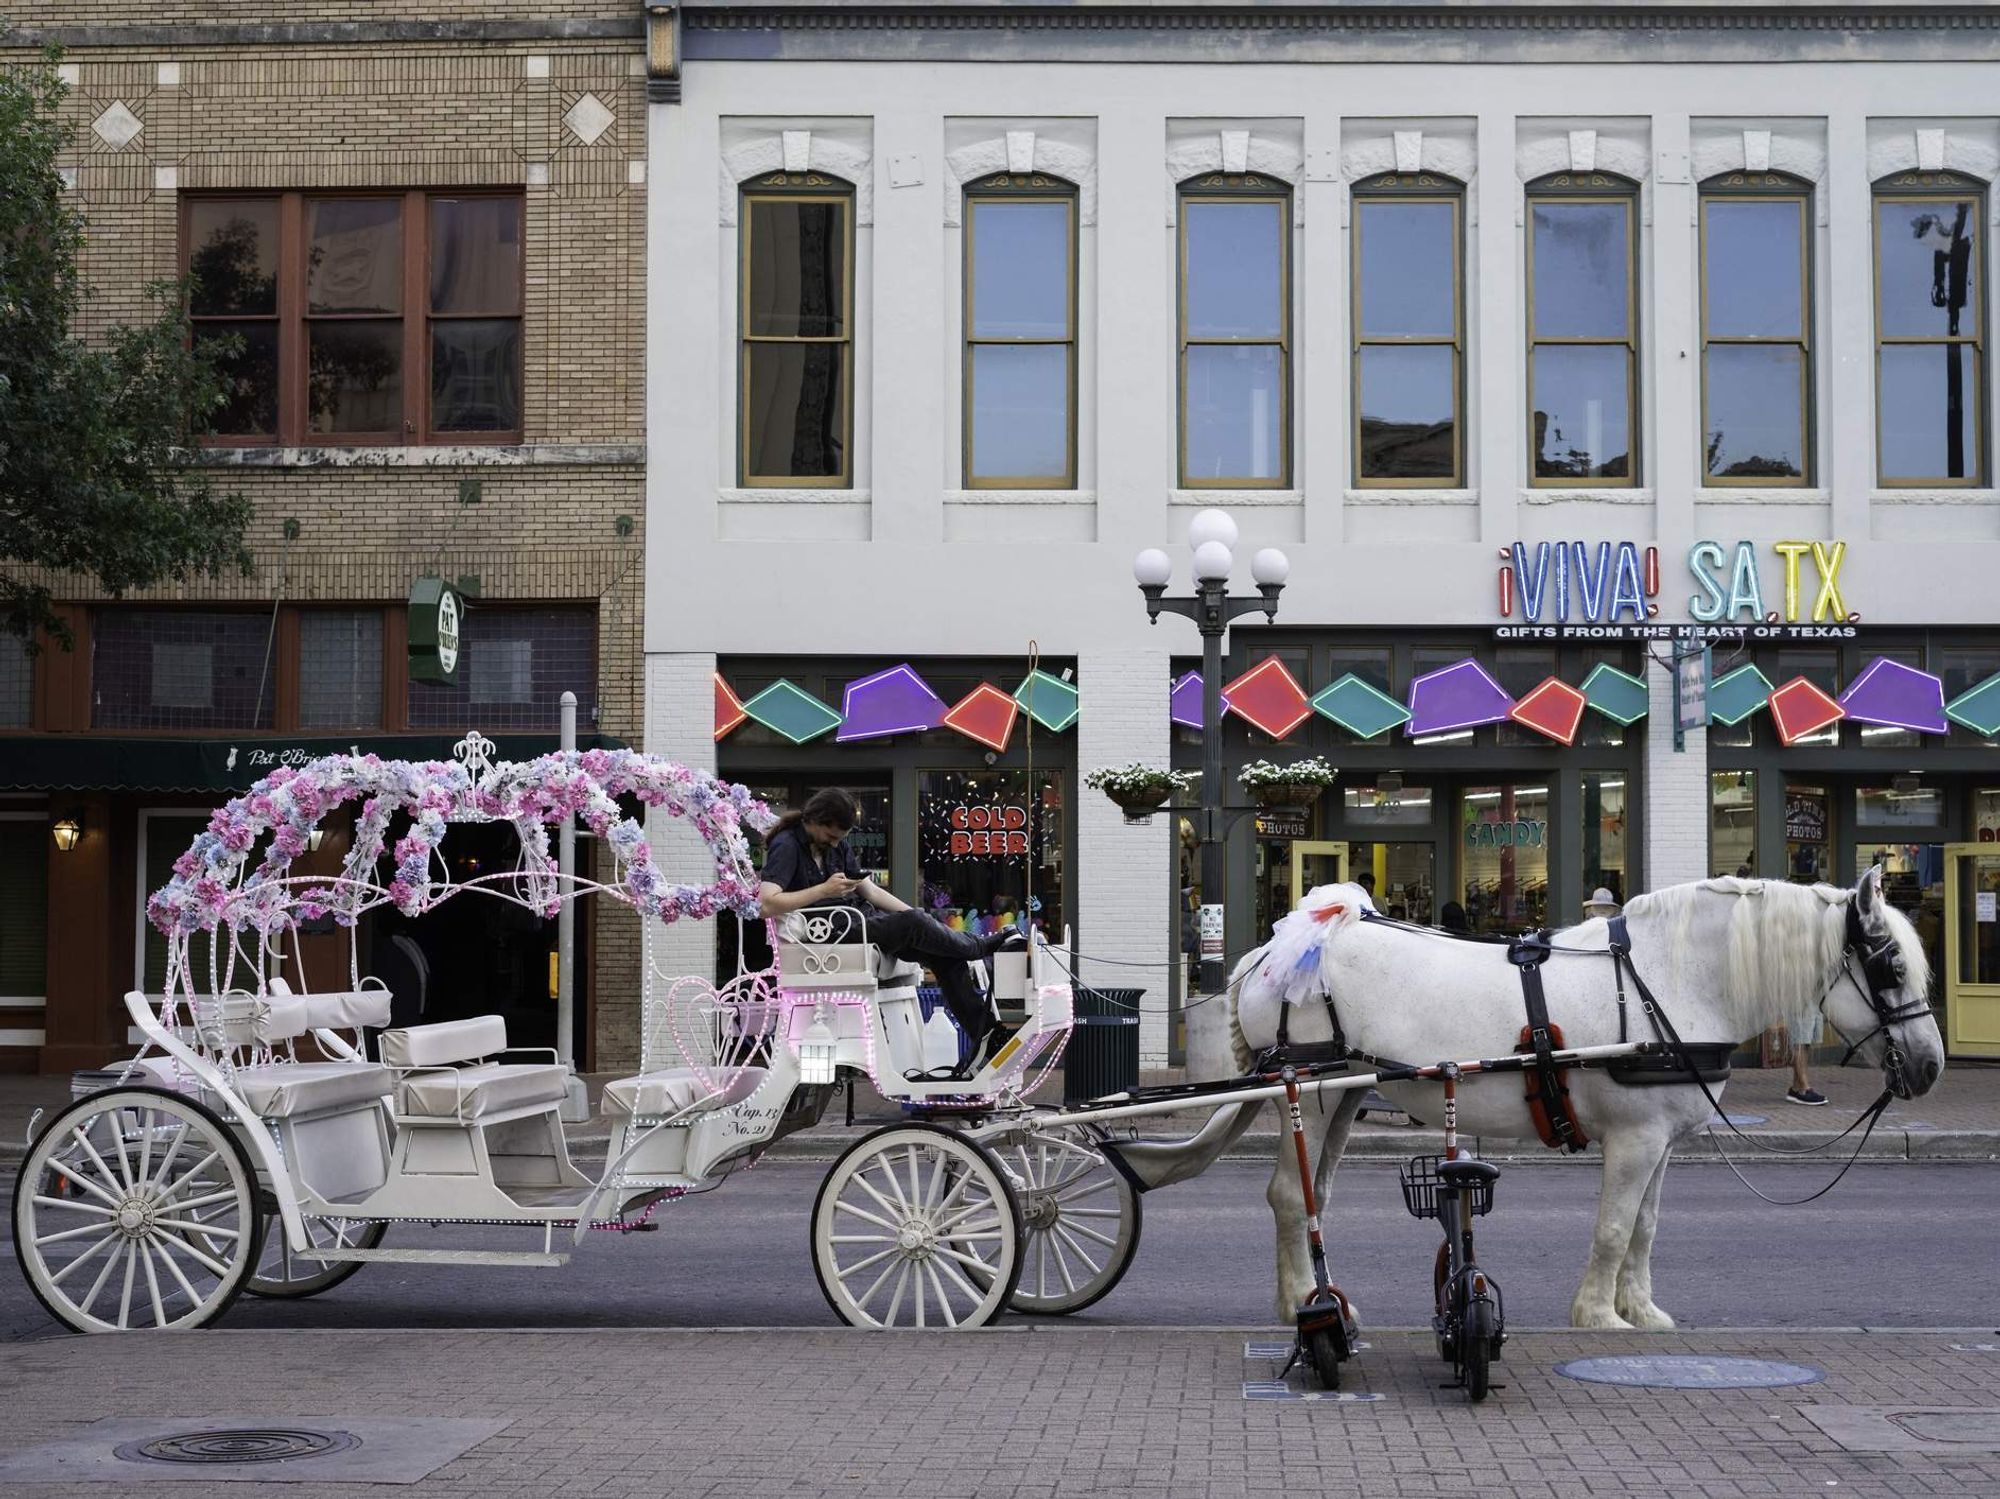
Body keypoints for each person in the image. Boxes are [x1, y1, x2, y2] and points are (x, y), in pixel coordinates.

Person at [758, 788, 1023, 1077]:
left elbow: (869, 890)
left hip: (856, 922)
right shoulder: (786, 845)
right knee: (915, 924)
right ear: (815, 821)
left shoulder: (835, 847)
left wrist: (916, 918)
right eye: (831, 836)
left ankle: (987, 1036)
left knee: (943, 955)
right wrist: (824, 890)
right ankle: (978, 947)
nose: (835, 844)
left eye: (840, 839)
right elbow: (767, 903)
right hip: (830, 931)